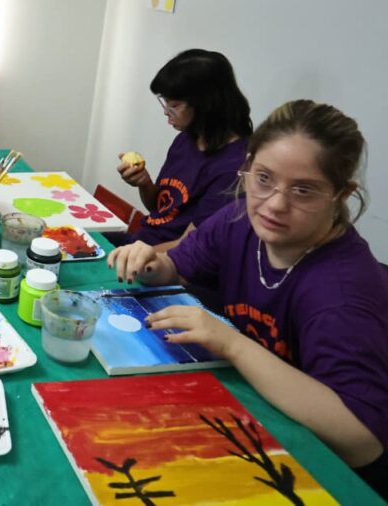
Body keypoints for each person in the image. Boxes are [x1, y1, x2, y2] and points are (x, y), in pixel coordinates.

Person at [108, 100, 388, 496]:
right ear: (249, 166)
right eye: (264, 178)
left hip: (323, 474)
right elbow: (177, 267)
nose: (275, 203)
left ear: (340, 194)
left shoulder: (341, 293)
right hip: (244, 417)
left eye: (303, 190)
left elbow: (362, 441)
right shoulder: (240, 219)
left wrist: (232, 345)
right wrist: (149, 262)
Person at [109, 49, 252, 248]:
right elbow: (161, 209)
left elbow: (189, 248)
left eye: (174, 105)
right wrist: (144, 182)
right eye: (165, 102)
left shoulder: (232, 168)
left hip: (162, 258)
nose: (166, 111)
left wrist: (129, 256)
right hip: (141, 242)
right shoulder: (186, 139)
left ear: (206, 105)